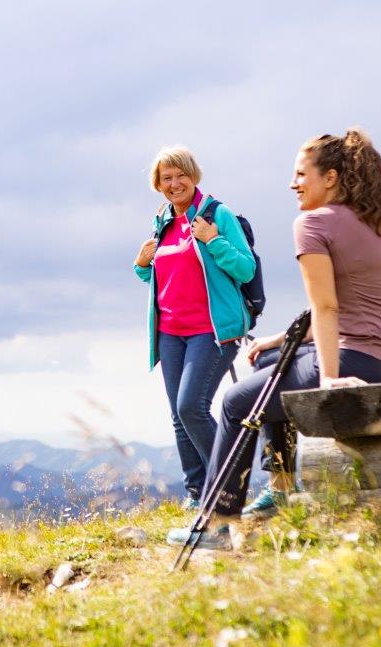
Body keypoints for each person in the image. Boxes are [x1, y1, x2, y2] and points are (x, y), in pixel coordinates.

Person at [186, 129, 381, 547]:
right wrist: (279, 339)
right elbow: (346, 307)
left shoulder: (312, 223)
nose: (293, 183)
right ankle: (280, 488)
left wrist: (329, 379)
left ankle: (217, 524)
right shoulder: (378, 224)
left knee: (237, 401)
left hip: (358, 361)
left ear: (330, 177)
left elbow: (328, 307)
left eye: (300, 174)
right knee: (265, 364)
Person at [133, 146, 257, 509]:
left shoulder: (217, 215)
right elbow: (163, 276)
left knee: (191, 407)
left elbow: (245, 269)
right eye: (166, 178)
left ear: (193, 175)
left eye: (180, 175)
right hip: (170, 332)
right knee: (178, 415)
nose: (174, 184)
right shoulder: (163, 222)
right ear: (158, 185)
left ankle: (230, 486)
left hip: (213, 331)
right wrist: (142, 266)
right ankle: (198, 493)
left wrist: (214, 240)